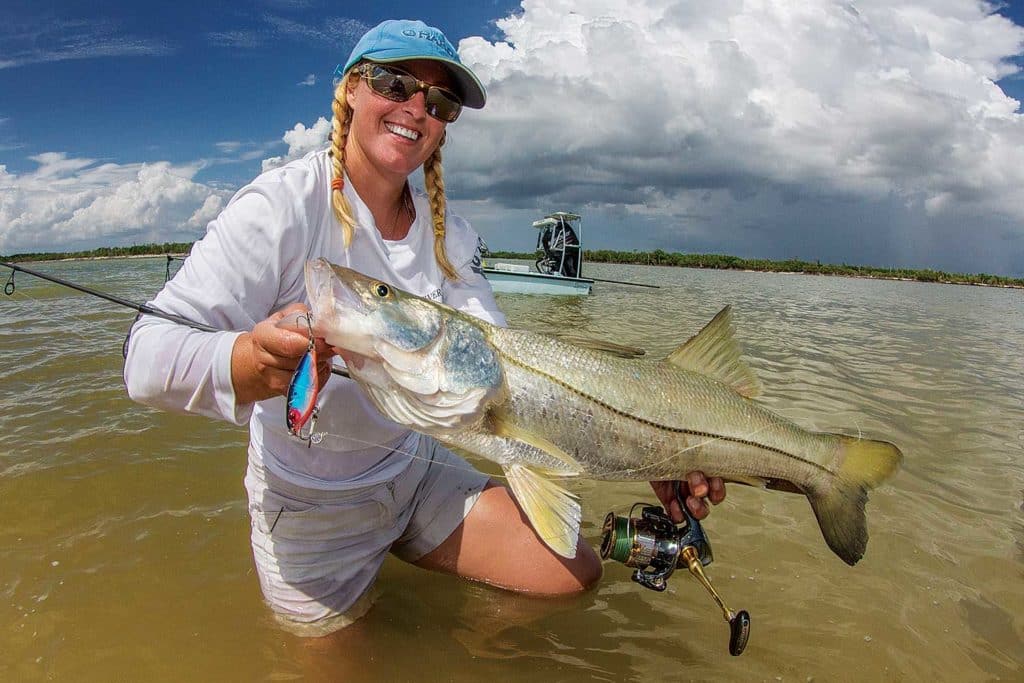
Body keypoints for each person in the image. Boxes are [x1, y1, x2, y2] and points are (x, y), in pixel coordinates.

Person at [123, 19, 726, 637]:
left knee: (573, 576)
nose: (417, 107)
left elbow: (502, 367)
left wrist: (653, 440)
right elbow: (144, 358)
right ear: (352, 89)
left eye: (440, 102)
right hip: (311, 509)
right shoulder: (278, 208)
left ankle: (468, 643)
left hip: (416, 473)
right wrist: (250, 360)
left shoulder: (452, 237)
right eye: (395, 82)